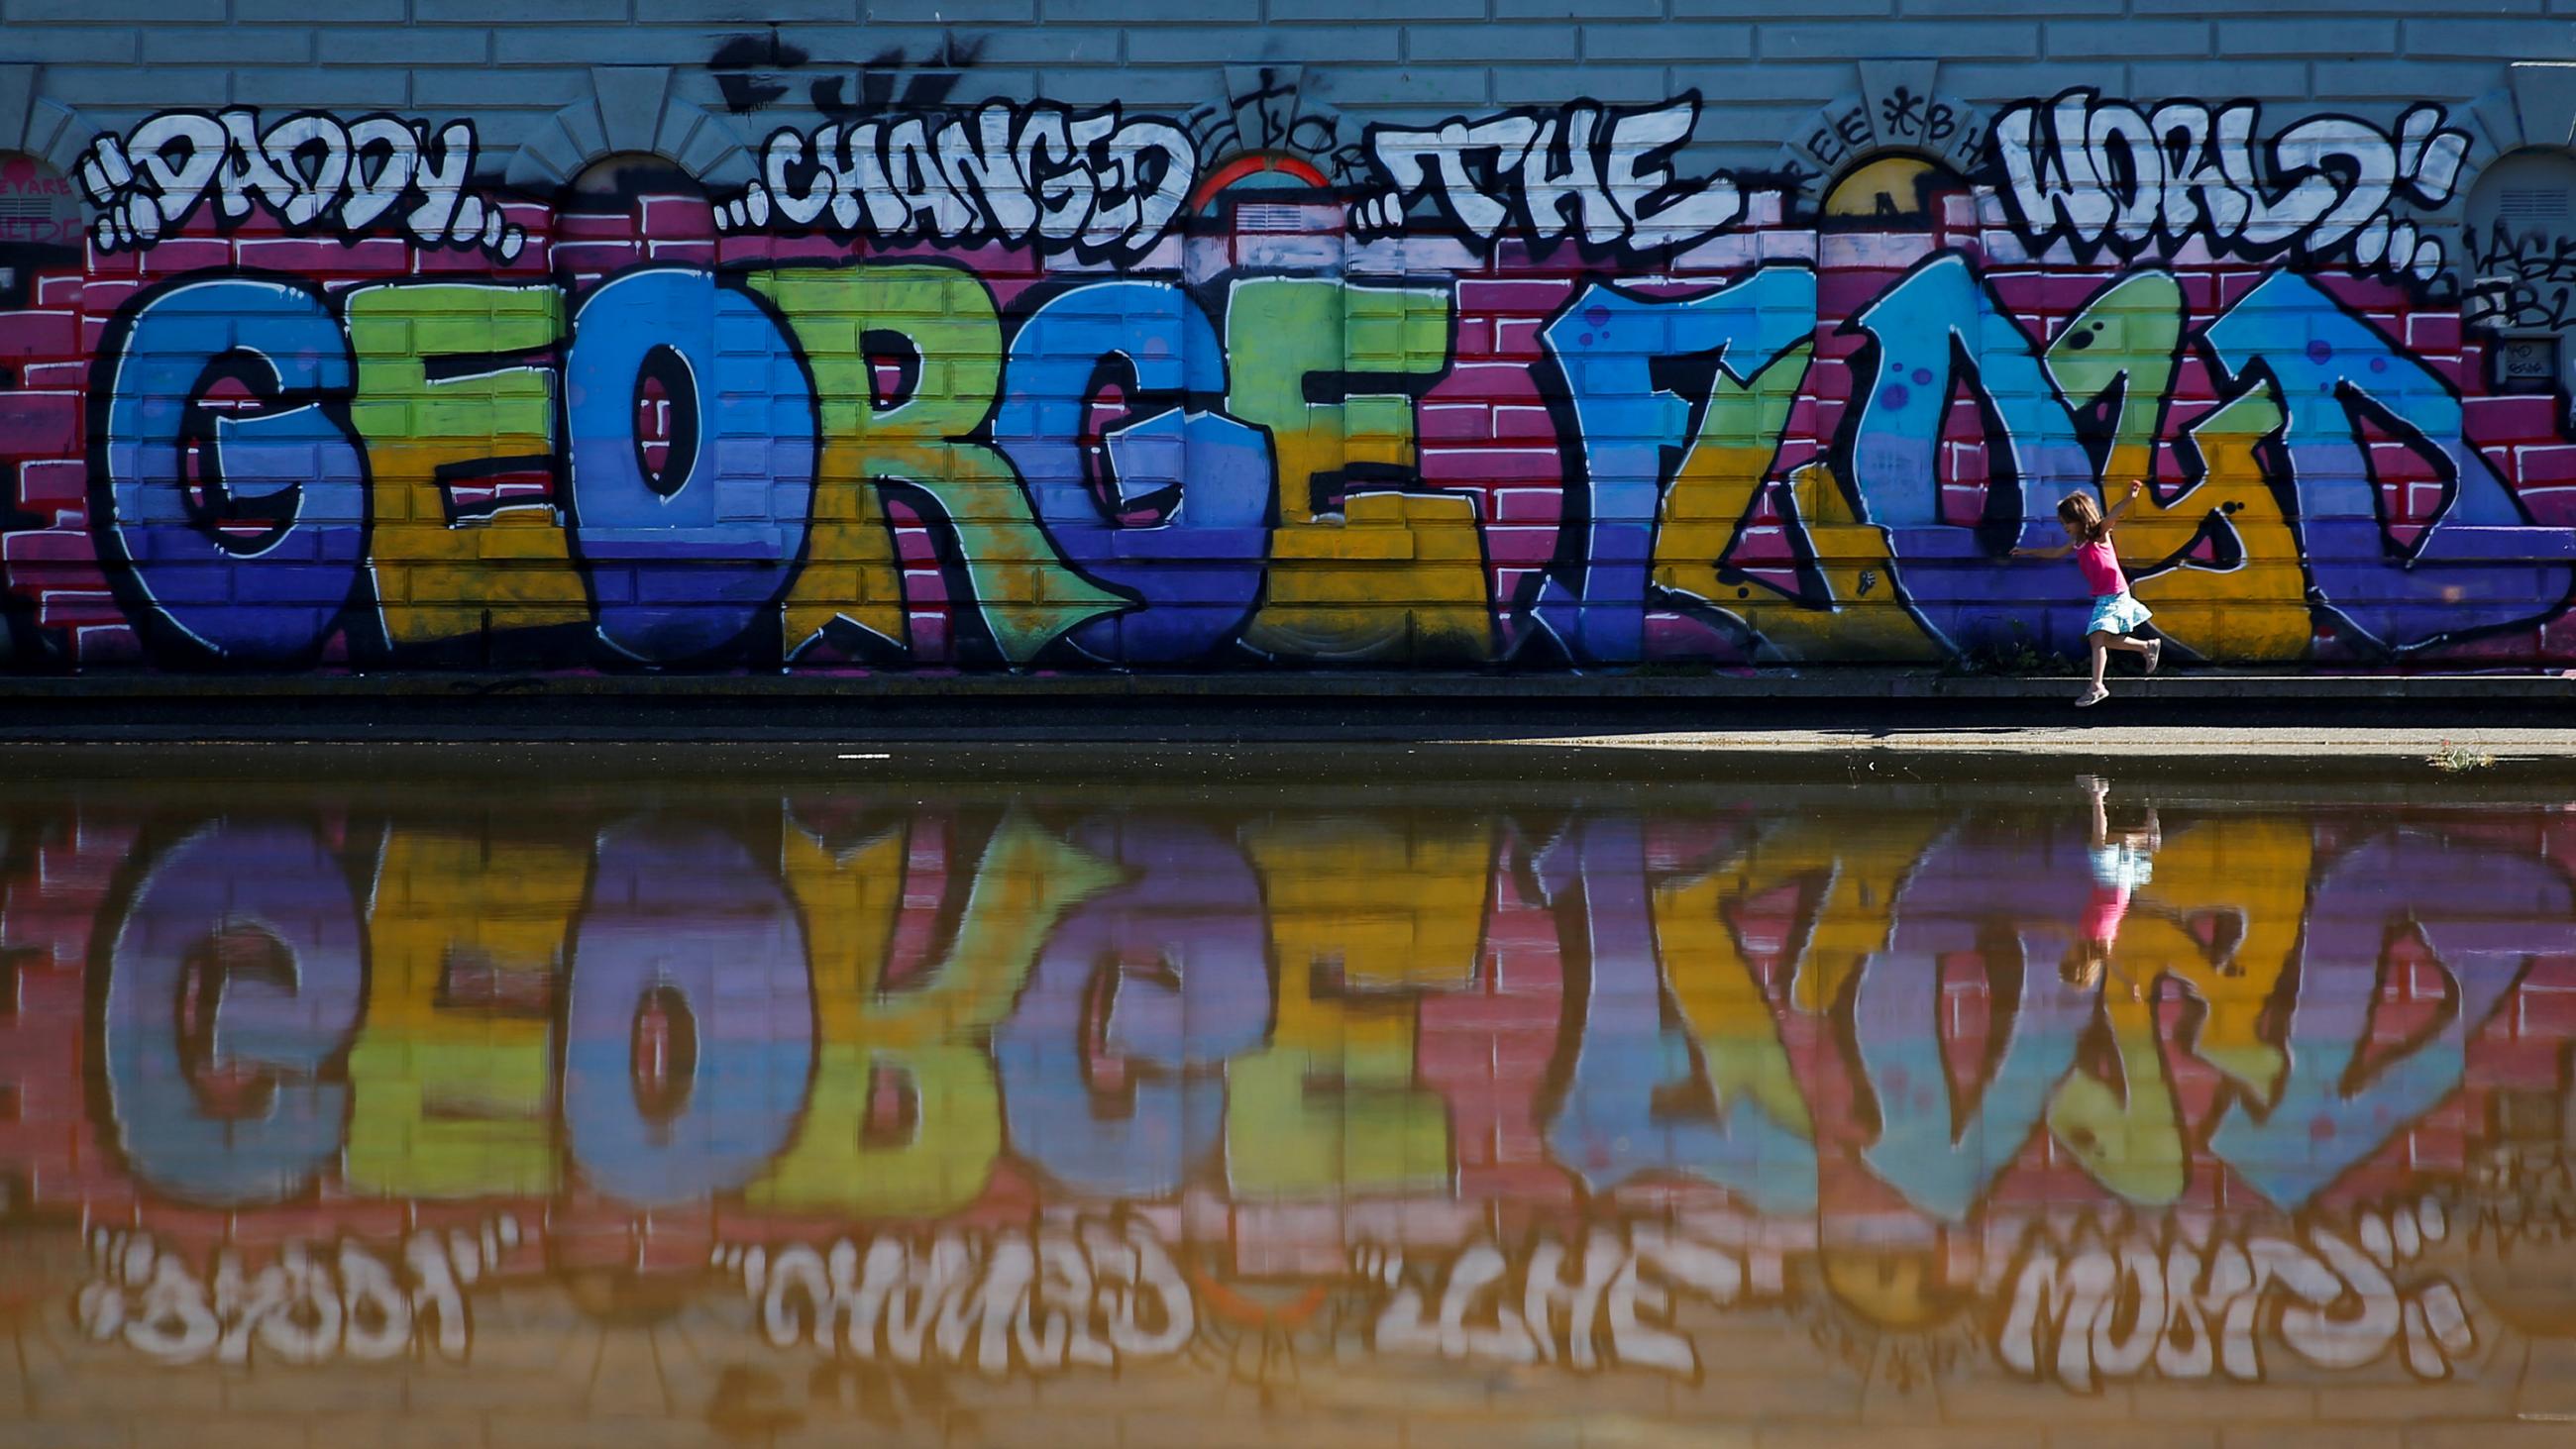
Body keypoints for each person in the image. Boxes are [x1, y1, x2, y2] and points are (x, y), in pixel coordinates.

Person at [2011, 480, 2162, 707]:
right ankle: (2146, 647)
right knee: (2108, 640)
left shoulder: (2099, 534)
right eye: (2063, 523)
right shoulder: (2077, 542)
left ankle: (2097, 686)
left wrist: (2129, 498)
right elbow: (2054, 553)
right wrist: (2027, 551)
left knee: (2096, 638)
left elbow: (2112, 515)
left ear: (2081, 518)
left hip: (2115, 594)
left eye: (2067, 522)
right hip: (2106, 595)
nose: (2065, 527)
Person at [2063, 775, 2158, 994]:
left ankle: (2144, 838)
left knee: (2116, 842)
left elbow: (2059, 930)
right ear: (2079, 963)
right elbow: (2111, 964)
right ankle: (2097, 795)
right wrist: (2127, 982)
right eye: (2068, 958)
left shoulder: (2093, 942)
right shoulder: (2098, 947)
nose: (2065, 953)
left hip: (2122, 888)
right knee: (2099, 842)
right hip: (2109, 884)